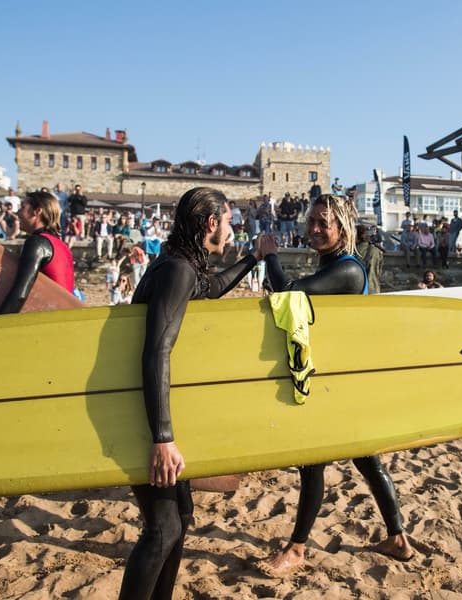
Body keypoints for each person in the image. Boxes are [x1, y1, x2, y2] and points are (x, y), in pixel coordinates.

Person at [118, 187, 262, 600]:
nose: (231, 229)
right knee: (163, 529)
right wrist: (162, 439)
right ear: (211, 223)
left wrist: (252, 257)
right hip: (146, 419)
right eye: (229, 221)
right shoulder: (177, 270)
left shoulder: (181, 265)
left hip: (149, 412)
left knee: (179, 516)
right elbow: (156, 351)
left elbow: (211, 288)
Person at [257, 194, 412, 575]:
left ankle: (296, 549)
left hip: (343, 384)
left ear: (342, 228)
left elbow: (290, 292)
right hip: (345, 379)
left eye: (322, 223)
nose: (313, 229)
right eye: (310, 221)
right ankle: (397, 538)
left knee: (313, 462)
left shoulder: (349, 269)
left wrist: (271, 255)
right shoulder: (334, 264)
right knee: (367, 460)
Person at [0, 191, 75, 314]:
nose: (17, 213)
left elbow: (20, 293)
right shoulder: (62, 245)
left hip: (48, 321)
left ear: (38, 211)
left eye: (23, 207)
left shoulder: (37, 242)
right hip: (66, 317)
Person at [355, 224, 384, 294]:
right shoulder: (377, 251)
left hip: (358, 291)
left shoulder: (352, 252)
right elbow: (379, 272)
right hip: (374, 290)